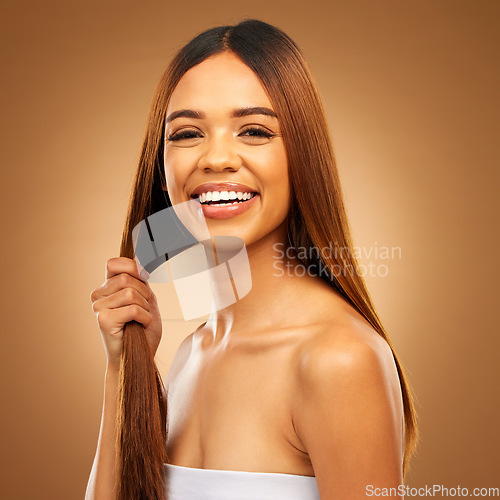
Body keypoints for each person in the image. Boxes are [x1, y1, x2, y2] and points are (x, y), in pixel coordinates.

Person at [86, 19, 418, 500]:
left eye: (255, 131)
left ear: (301, 155)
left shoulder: (337, 360)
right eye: (187, 134)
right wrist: (120, 368)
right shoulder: (187, 355)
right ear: (162, 171)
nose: (217, 158)